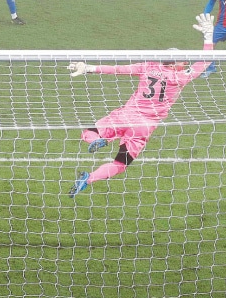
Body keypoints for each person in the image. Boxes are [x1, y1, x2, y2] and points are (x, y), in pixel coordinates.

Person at [66, 13, 215, 198]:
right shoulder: (181, 77)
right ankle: (88, 179)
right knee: (120, 164)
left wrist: (89, 68)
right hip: (144, 128)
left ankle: (98, 140)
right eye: (183, 60)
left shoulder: (148, 66)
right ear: (175, 63)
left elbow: (118, 70)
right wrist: (208, 36)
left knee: (89, 133)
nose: (186, 62)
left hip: (125, 116)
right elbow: (205, 61)